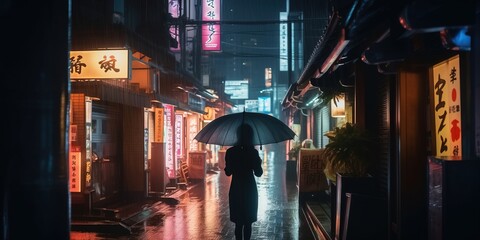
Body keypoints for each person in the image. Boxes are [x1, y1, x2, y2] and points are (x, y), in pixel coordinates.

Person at [224, 124, 263, 240]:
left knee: (238, 222)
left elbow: (228, 172)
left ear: (237, 135)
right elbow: (258, 173)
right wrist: (258, 162)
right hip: (250, 189)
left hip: (236, 188)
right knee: (248, 222)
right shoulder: (253, 152)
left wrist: (229, 164)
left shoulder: (230, 152)